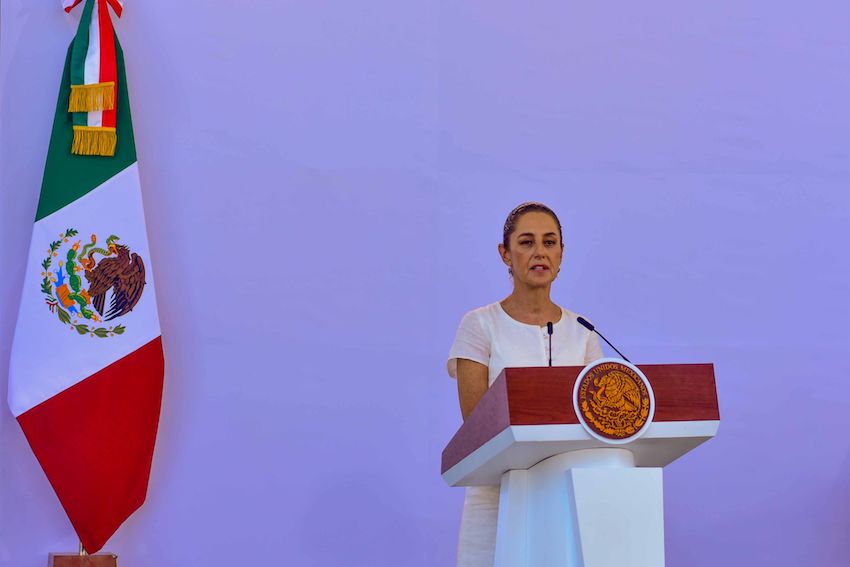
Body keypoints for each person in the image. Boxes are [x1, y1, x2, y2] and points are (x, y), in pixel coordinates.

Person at [446, 202, 603, 567]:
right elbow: (476, 425)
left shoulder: (583, 331)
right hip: (497, 496)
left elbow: (598, 423)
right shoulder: (480, 325)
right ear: (505, 253)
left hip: (565, 496)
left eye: (549, 243)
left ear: (562, 254)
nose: (539, 253)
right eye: (527, 242)